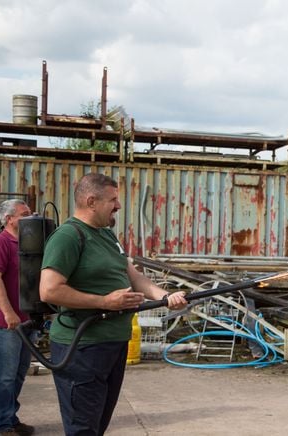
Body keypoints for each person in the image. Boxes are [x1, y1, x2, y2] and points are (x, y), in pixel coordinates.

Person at [40, 173, 187, 436]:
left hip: (112, 344)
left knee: (97, 425)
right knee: (82, 428)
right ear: (91, 201)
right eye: (113, 200)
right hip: (82, 346)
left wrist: (164, 296)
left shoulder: (107, 236)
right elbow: (49, 290)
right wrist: (105, 302)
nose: (118, 206)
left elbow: (135, 277)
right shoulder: (68, 236)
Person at [0, 199, 35, 436]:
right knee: (4, 376)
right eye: (24, 214)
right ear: (9, 219)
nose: (30, 217)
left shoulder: (27, 244)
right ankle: (0, 426)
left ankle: (10, 418)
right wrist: (8, 313)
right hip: (7, 322)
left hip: (27, 319)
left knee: (18, 373)